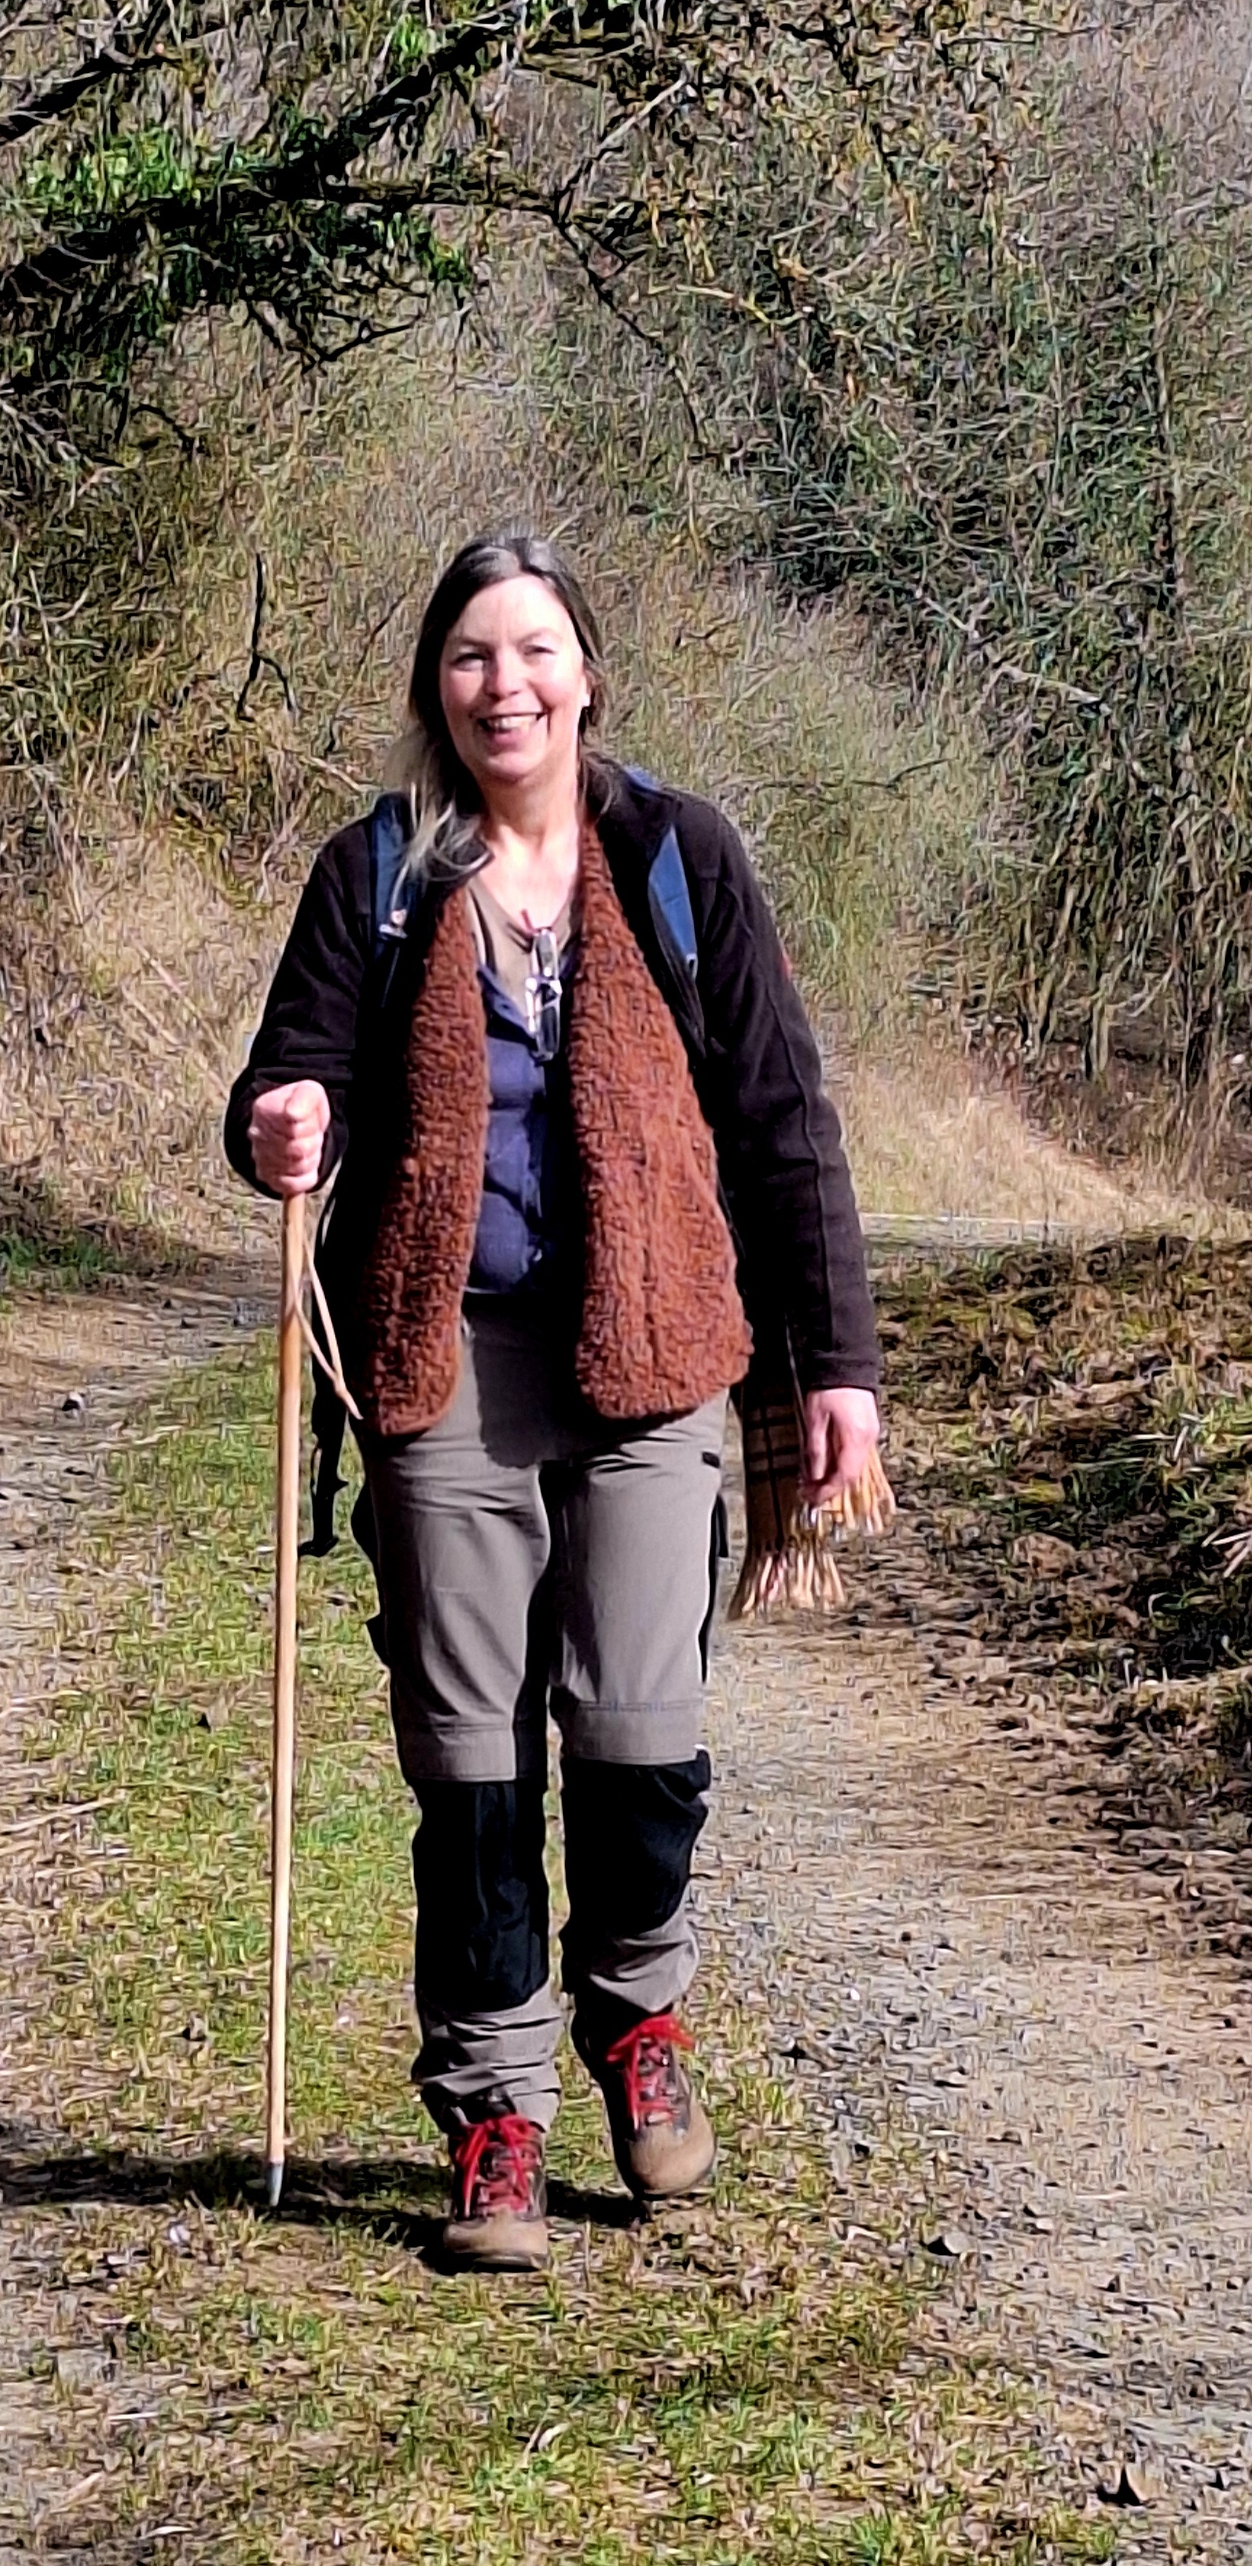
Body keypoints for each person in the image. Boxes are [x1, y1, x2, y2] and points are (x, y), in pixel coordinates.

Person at [224, 533, 882, 2269]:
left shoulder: (677, 858)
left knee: (642, 1730)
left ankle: (636, 2021)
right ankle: (498, 2113)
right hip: (446, 1364)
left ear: (587, 672)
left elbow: (786, 1126)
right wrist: (280, 1124)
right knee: (466, 1755)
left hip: (658, 1358)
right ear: (433, 689)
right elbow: (284, 1088)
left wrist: (844, 1379)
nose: (501, 685)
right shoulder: (381, 873)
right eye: (467, 657)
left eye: (532, 651)